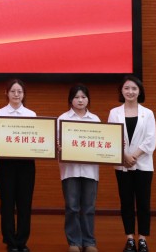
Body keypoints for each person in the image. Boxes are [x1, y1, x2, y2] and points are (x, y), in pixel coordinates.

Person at [108, 76, 156, 252]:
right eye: (127, 88)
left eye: (134, 88)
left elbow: (151, 140)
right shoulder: (114, 113)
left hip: (143, 164)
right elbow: (111, 137)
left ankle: (142, 239)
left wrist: (133, 156)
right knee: (126, 202)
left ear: (139, 91)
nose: (130, 91)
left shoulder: (148, 113)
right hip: (122, 165)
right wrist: (124, 157)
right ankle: (129, 239)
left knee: (143, 202)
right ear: (121, 91)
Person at [0, 79, 36, 252]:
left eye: (19, 91)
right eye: (13, 91)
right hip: (6, 165)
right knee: (7, 203)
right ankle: (10, 241)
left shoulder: (31, 114)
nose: (16, 94)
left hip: (26, 165)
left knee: (25, 204)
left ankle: (22, 241)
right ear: (7, 93)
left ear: (24, 94)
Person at [58, 84, 100, 252]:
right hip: (70, 169)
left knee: (89, 207)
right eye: (76, 97)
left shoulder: (95, 120)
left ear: (88, 99)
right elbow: (56, 144)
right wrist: (59, 147)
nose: (80, 100)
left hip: (90, 171)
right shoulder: (62, 119)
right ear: (71, 100)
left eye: (83, 97)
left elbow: (102, 142)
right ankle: (74, 242)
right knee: (72, 207)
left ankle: (89, 242)